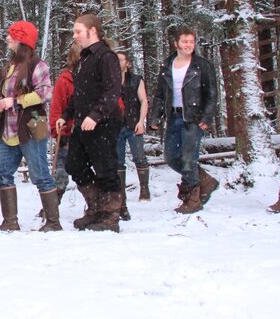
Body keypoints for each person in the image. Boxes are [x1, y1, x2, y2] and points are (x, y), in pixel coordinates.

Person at [55, 14, 123, 232]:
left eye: (78, 31)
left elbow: (112, 92)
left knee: (106, 169)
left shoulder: (107, 57)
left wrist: (96, 115)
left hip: (103, 123)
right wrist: (65, 115)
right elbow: (79, 94)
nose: (74, 36)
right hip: (82, 123)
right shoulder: (83, 59)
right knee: (74, 164)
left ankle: (110, 215)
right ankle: (95, 208)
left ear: (92, 31)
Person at [0, 20, 61, 232]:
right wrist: (1, 102)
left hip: (33, 125)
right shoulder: (9, 66)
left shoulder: (37, 65)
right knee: (1, 172)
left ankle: (53, 222)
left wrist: (15, 101)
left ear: (22, 39)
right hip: (9, 129)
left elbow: (45, 93)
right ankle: (10, 221)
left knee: (40, 174)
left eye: (12, 35)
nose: (7, 38)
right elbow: (8, 94)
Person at [148, 25, 219, 214]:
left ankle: (192, 199)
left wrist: (207, 117)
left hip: (194, 118)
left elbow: (212, 94)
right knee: (171, 157)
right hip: (173, 116)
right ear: (176, 44)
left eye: (191, 41)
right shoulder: (167, 65)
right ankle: (205, 180)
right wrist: (155, 117)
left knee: (189, 157)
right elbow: (160, 95)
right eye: (185, 42)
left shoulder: (202, 65)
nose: (189, 45)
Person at [115, 51, 151, 221]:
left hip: (133, 123)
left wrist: (141, 121)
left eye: (120, 60)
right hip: (116, 127)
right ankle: (121, 197)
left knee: (139, 157)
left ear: (127, 63)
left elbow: (144, 100)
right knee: (118, 162)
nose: (117, 62)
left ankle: (144, 188)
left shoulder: (136, 80)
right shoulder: (110, 80)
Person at [49, 43, 81, 207]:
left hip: (92, 131)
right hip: (68, 132)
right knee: (61, 170)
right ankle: (52, 207)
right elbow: (57, 107)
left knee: (86, 171)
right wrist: (57, 130)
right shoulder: (65, 80)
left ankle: (98, 205)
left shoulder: (98, 78)